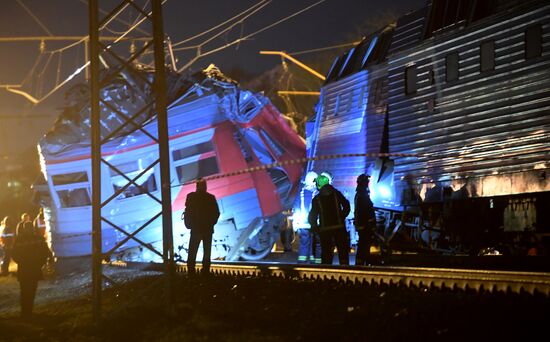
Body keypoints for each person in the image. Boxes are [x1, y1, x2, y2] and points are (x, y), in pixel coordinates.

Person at [308, 174, 351, 265]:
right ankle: (345, 269)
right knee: (342, 250)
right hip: (339, 228)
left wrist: (315, 227)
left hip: (325, 230)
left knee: (326, 252)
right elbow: (346, 205)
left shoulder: (317, 199)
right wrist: (342, 216)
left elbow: (313, 216)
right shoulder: (337, 194)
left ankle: (326, 270)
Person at [12, 221, 51, 319]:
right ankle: (29, 311)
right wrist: (39, 263)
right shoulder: (38, 238)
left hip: (24, 270)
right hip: (34, 269)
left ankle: (25, 312)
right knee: (32, 290)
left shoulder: (19, 239)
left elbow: (14, 254)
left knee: (24, 291)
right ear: (32, 228)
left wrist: (22, 262)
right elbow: (45, 252)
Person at [184, 178, 220, 275]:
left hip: (195, 229)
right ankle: (205, 271)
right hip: (208, 229)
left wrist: (190, 224)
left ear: (196, 186)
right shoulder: (211, 198)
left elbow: (188, 211)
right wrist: (211, 223)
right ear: (205, 186)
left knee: (192, 251)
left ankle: (191, 272)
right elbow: (216, 213)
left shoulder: (191, 197)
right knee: (207, 252)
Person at [354, 174, 376, 266]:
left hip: (363, 225)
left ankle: (362, 262)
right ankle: (362, 263)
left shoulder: (360, 194)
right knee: (364, 244)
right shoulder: (362, 195)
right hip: (365, 225)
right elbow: (366, 211)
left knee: (363, 244)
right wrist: (371, 223)